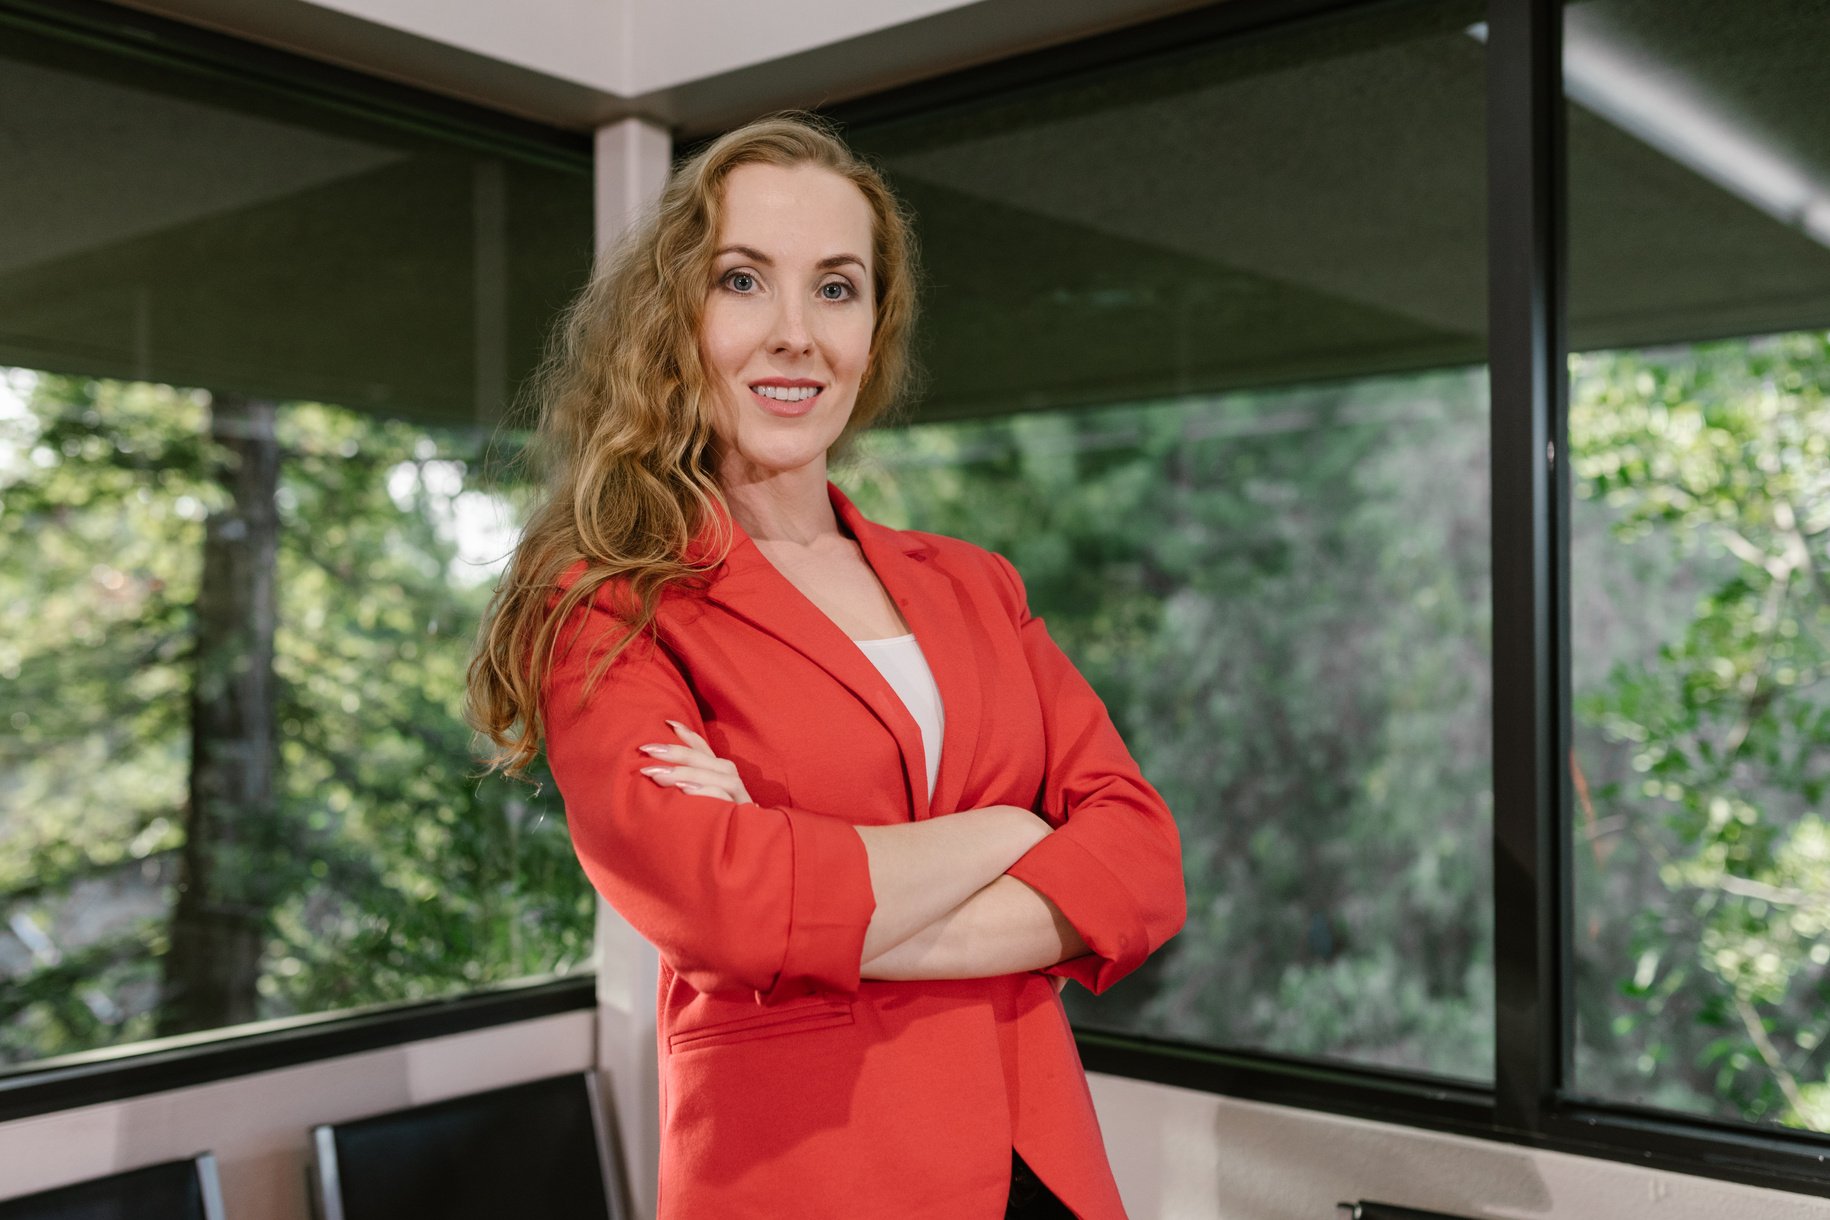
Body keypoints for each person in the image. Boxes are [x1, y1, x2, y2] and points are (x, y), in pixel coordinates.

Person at [467, 113, 1185, 1219]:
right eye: (744, 280)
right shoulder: (608, 598)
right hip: (813, 1177)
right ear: (675, 317)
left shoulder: (973, 583)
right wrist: (1015, 833)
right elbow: (725, 908)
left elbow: (1139, 860)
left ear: (874, 328)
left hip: (1039, 1165)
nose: (796, 333)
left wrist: (826, 907)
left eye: (837, 288)